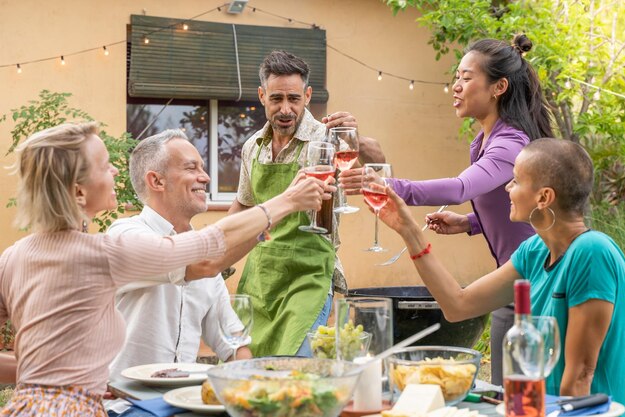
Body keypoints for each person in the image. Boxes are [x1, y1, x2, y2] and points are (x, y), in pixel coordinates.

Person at [0, 122, 332, 416]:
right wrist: (288, 200)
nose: (115, 171)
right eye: (104, 166)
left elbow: (230, 333)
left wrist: (45, 376)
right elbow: (208, 250)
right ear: (78, 191)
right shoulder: (109, 250)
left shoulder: (13, 257)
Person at [341, 34, 553, 385]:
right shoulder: (482, 141)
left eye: (466, 78)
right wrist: (470, 223)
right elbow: (514, 208)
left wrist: (392, 187)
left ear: (498, 87)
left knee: (525, 393)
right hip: (513, 277)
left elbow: (460, 188)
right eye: (456, 77)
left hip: (538, 279)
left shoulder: (510, 142)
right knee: (505, 391)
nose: (456, 86)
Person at [376, 138, 625, 403]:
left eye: (516, 180)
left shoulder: (592, 252)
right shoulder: (534, 251)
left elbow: (580, 377)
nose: (507, 187)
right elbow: (458, 305)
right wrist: (409, 231)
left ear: (544, 197)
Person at [229, 50, 385, 357]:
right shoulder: (253, 147)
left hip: (309, 274)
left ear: (307, 95)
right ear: (262, 96)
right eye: (276, 99)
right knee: (249, 375)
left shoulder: (326, 135)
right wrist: (209, 251)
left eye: (294, 98)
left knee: (296, 369)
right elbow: (243, 208)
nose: (285, 108)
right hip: (260, 277)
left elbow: (378, 163)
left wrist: (357, 137)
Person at [107, 129, 253, 384]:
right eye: (191, 168)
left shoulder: (208, 262)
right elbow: (197, 262)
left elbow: (235, 344)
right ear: (157, 181)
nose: (205, 177)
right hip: (124, 402)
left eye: (203, 167)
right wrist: (272, 215)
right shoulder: (124, 236)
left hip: (181, 400)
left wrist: (249, 392)